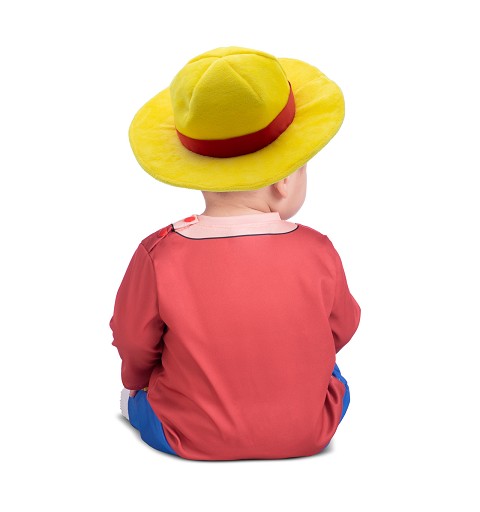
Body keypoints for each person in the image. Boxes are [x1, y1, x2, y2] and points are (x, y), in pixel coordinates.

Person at [109, 46, 361, 461]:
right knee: (331, 373)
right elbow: (341, 329)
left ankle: (137, 406)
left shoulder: (159, 253)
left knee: (142, 394)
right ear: (283, 179)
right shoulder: (319, 249)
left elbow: (135, 342)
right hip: (310, 431)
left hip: (187, 436)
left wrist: (138, 383)